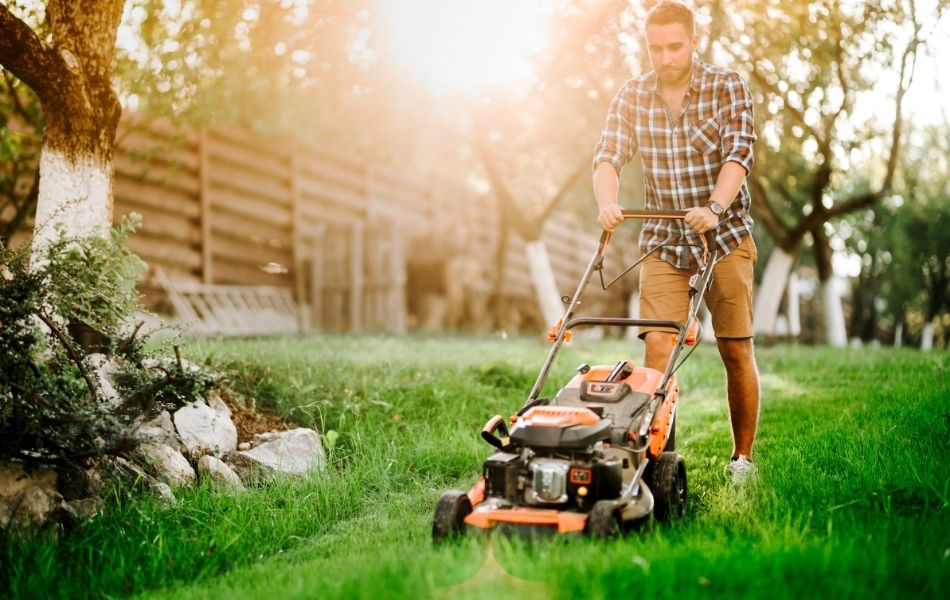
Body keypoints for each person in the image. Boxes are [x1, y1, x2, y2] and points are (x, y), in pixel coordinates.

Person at [591, 0, 760, 485]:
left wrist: (715, 207)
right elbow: (608, 154)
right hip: (664, 239)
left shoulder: (727, 87)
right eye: (655, 48)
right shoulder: (632, 95)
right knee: (658, 350)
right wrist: (608, 202)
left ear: (694, 42)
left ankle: (742, 461)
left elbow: (739, 153)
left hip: (724, 235)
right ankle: (663, 462)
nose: (664, 57)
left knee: (734, 347)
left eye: (674, 47)